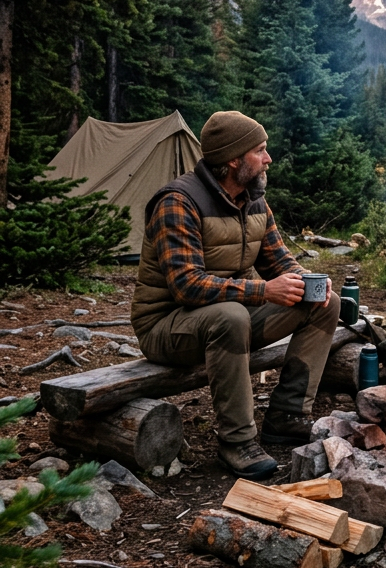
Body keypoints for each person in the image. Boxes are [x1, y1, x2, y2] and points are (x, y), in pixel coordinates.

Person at [130, 111, 341, 478]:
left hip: (226, 318)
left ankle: (288, 415)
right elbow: (187, 286)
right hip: (166, 327)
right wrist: (263, 291)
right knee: (231, 316)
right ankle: (236, 441)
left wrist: (311, 283)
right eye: (260, 150)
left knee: (324, 303)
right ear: (233, 159)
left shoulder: (253, 200)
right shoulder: (178, 202)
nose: (268, 159)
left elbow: (280, 263)